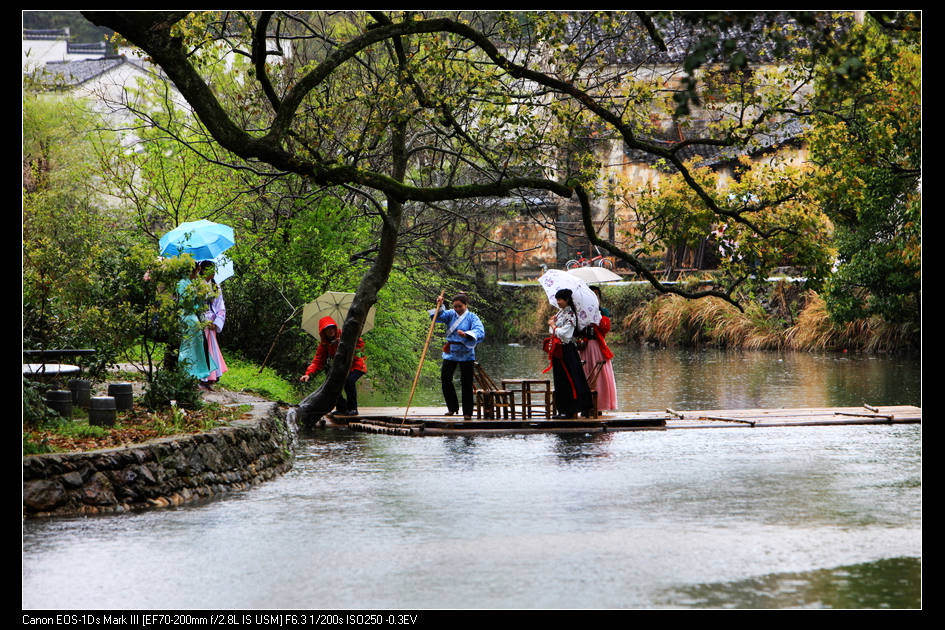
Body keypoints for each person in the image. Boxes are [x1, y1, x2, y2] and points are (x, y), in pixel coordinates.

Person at [430, 292, 485, 420]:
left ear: (466, 305)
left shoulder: (472, 317)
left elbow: (480, 332)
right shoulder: (450, 314)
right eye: (455, 307)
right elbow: (437, 317)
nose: (457, 309)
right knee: (445, 378)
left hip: (466, 352)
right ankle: (452, 408)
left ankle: (467, 412)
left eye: (460, 306)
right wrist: (440, 305)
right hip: (451, 352)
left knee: (466, 382)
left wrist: (466, 334)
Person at [299, 316, 367, 417]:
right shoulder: (324, 344)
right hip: (342, 368)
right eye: (327, 329)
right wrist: (308, 374)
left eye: (332, 328)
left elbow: (360, 344)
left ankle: (353, 408)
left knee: (349, 381)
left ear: (335, 328)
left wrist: (344, 342)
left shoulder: (345, 334)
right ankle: (342, 408)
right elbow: (318, 360)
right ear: (323, 332)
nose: (330, 331)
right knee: (332, 384)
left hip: (357, 366)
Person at [545, 288, 593, 419]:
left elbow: (566, 335)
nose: (558, 302)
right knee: (560, 380)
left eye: (560, 299)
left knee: (569, 379)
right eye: (557, 299)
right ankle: (563, 409)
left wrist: (554, 326)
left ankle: (571, 409)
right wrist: (553, 324)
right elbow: (552, 331)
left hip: (567, 351)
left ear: (566, 300)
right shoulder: (560, 313)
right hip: (559, 351)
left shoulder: (571, 314)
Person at [176, 262, 219, 385]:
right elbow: (188, 302)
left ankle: (192, 374)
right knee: (189, 347)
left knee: (194, 347)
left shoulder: (189, 283)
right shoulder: (184, 283)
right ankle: (187, 373)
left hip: (192, 318)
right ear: (193, 271)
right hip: (188, 317)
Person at [577, 285, 617, 412]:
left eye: (596, 295)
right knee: (584, 374)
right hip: (584, 347)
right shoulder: (580, 312)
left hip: (597, 347)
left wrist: (596, 316)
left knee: (599, 376)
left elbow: (605, 328)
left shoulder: (602, 312)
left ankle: (599, 405)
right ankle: (584, 405)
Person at [200, 261, 228, 391]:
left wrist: (216, 321)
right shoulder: (197, 285)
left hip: (211, 320)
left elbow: (220, 306)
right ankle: (202, 376)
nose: (213, 272)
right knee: (202, 348)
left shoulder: (215, 286)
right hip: (200, 320)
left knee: (211, 349)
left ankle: (212, 375)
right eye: (211, 270)